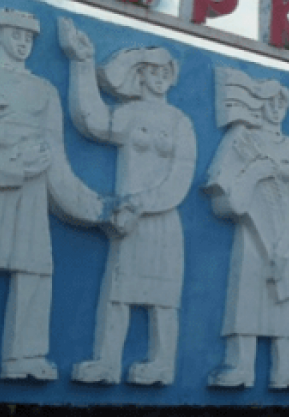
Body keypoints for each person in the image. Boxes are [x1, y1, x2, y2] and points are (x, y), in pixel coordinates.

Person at [0, 8, 104, 381]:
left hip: (31, 192)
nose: (24, 43)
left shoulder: (45, 90)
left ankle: (26, 356)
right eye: (16, 34)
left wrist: (96, 209)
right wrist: (8, 164)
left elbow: (56, 159)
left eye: (29, 37)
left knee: (35, 269)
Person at [58, 19, 197, 386]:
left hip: (161, 221)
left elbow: (179, 181)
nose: (159, 77)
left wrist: (139, 204)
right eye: (152, 70)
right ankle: (107, 362)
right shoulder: (130, 113)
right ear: (140, 75)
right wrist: (82, 62)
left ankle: (162, 364)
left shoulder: (181, 122)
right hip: (129, 221)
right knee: (119, 292)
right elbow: (93, 120)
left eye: (165, 72)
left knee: (163, 299)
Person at [203, 67, 289, 390]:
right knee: (246, 302)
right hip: (253, 238)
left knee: (285, 306)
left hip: (286, 239)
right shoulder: (241, 142)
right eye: (269, 101)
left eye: (281, 103)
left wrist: (285, 245)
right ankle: (241, 365)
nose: (275, 109)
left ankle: (285, 368)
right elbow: (224, 203)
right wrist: (254, 173)